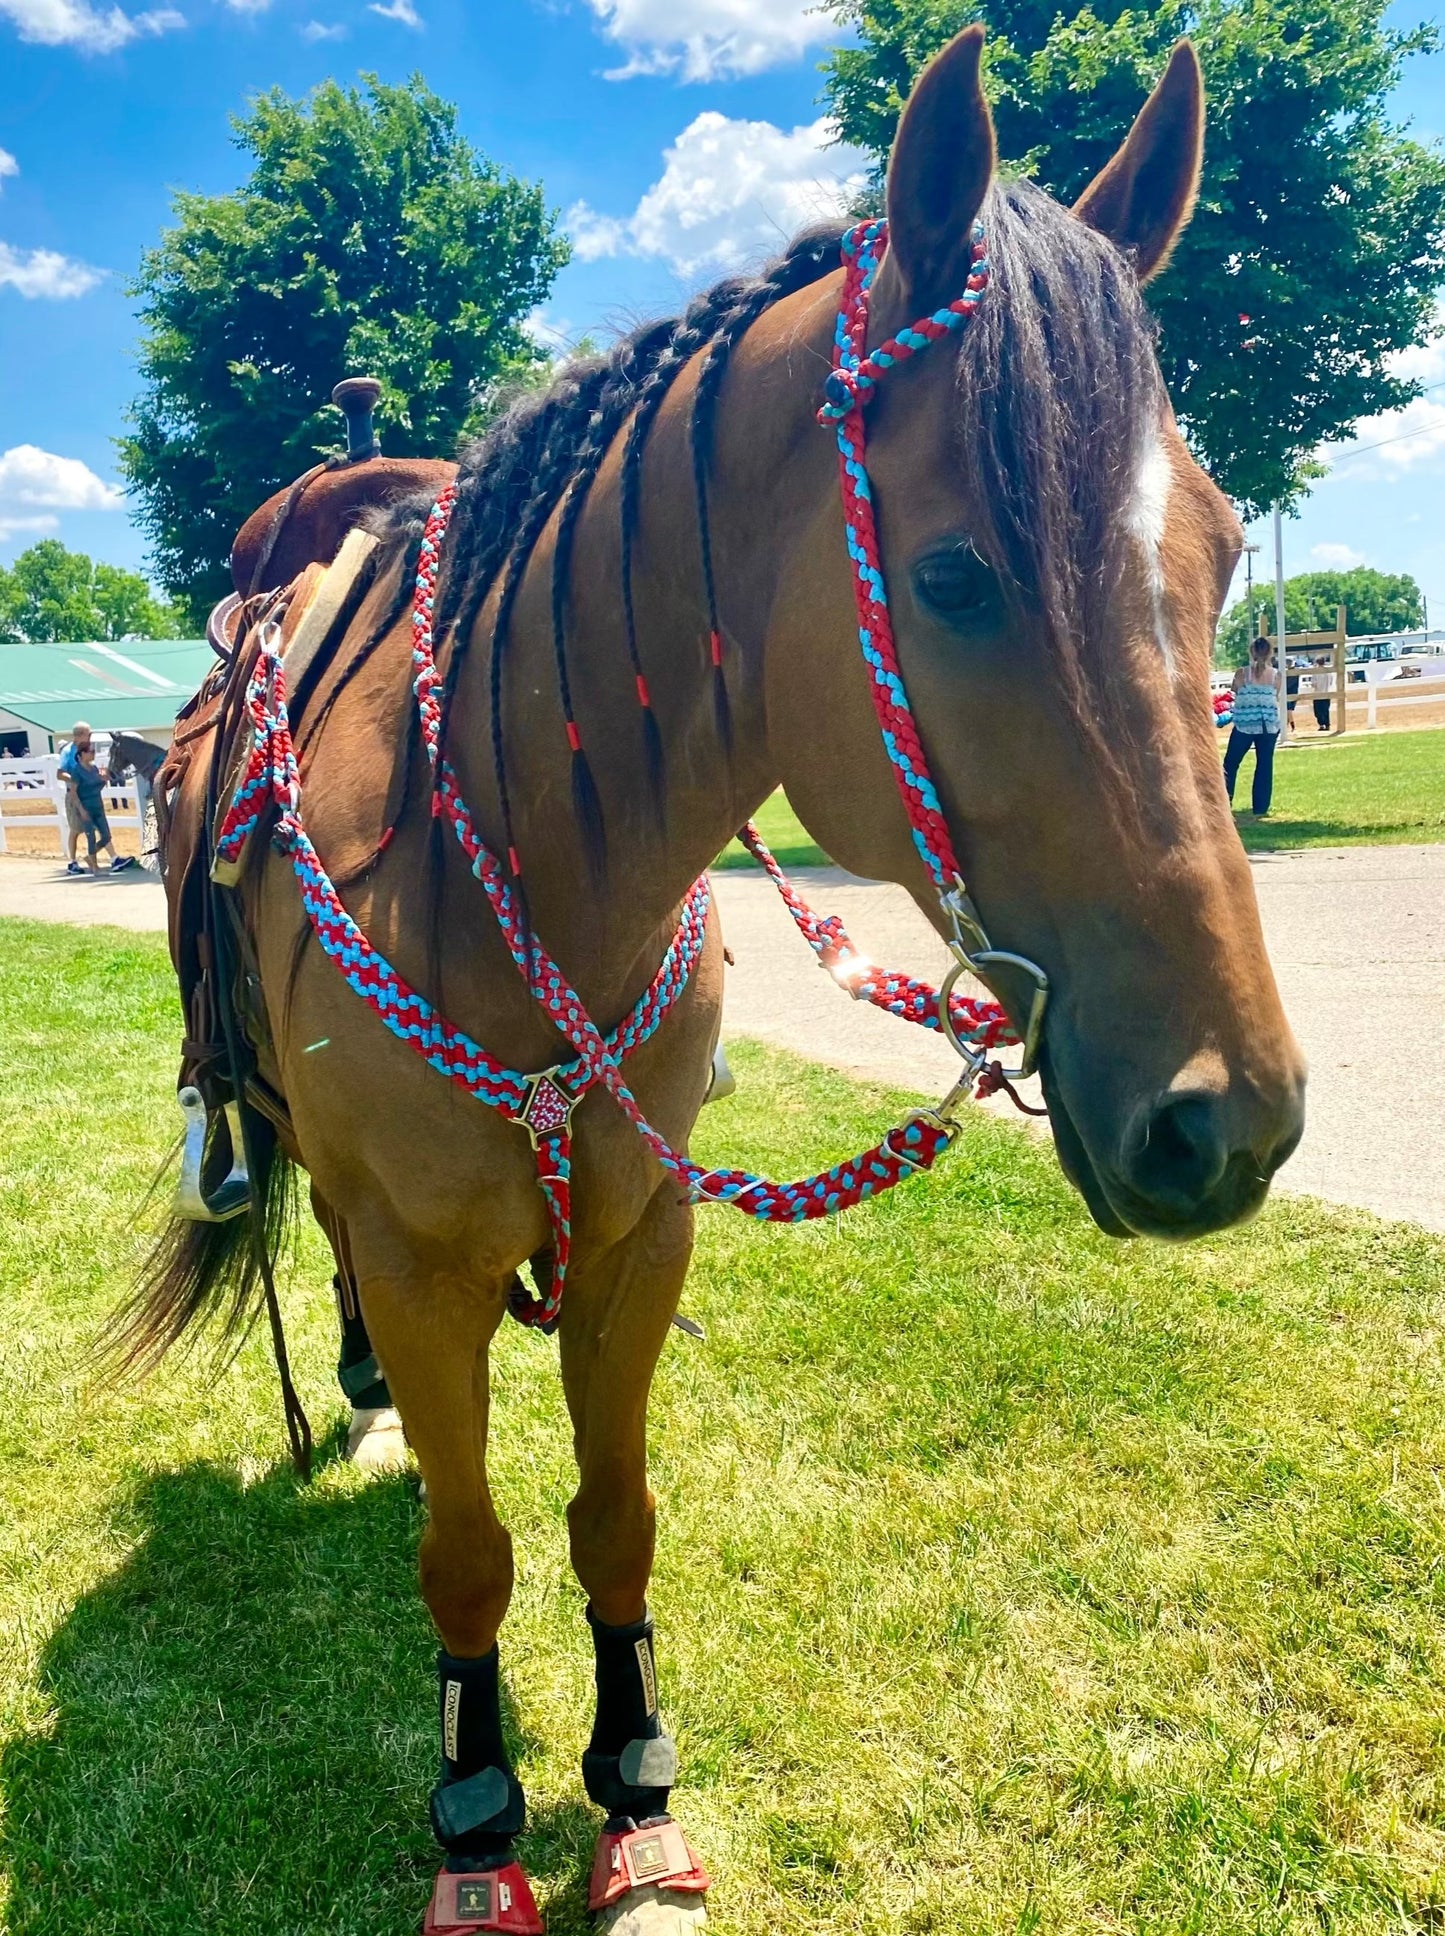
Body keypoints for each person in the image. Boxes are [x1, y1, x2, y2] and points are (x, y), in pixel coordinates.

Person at [1223, 638, 1281, 817]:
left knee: (1230, 764)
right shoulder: (1276, 675)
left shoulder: (1242, 674)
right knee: (1264, 764)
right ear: (1270, 653)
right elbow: (1276, 694)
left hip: (1245, 724)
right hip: (1268, 725)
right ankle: (1260, 807)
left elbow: (1235, 691)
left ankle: (1225, 802)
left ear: (1252, 652)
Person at [71, 743, 136, 874]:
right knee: (91, 837)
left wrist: (104, 779)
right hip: (86, 808)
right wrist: (81, 809)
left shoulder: (94, 768)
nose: (93, 753)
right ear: (82, 754)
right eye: (90, 751)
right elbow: (73, 792)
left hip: (98, 806)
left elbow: (97, 785)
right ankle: (95, 867)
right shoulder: (77, 771)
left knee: (106, 836)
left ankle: (90, 856)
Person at [57, 720, 93, 875]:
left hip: (87, 794)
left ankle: (97, 860)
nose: (90, 736)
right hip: (74, 795)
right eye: (88, 733)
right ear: (80, 735)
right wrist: (74, 779)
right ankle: (72, 861)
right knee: (75, 829)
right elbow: (60, 773)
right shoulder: (67, 752)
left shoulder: (85, 750)